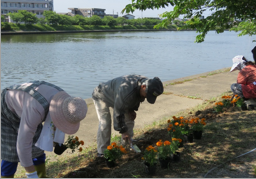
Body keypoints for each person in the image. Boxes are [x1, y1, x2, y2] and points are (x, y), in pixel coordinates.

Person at [1, 81, 88, 178]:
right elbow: (23, 144)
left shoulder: (68, 102)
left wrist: (57, 142)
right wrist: (31, 175)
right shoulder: (36, 109)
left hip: (28, 108)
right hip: (6, 110)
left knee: (38, 148)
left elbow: (58, 122)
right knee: (10, 154)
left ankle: (42, 176)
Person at [92, 75, 164, 157]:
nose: (146, 97)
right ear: (143, 87)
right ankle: (102, 152)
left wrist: (132, 109)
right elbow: (118, 111)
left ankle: (126, 146)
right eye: (147, 95)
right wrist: (123, 131)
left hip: (117, 97)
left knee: (130, 118)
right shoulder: (126, 91)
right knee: (105, 123)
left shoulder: (146, 84)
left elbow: (138, 96)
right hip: (101, 95)